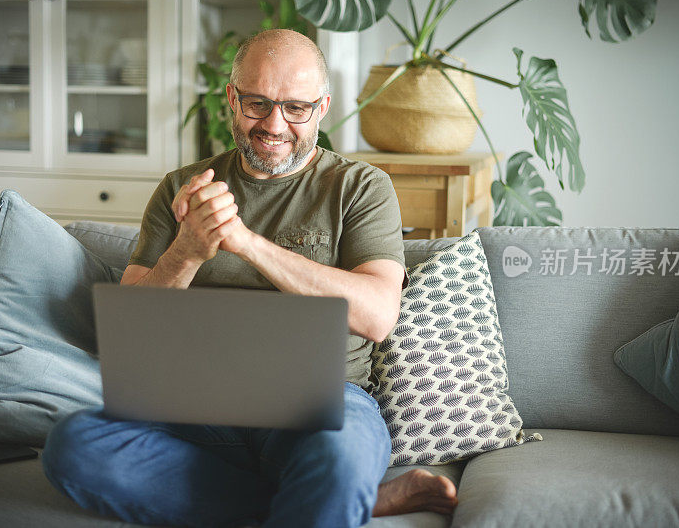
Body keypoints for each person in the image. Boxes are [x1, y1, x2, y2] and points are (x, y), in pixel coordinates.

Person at [42, 29, 458, 527]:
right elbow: (131, 327)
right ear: (232, 99)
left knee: (340, 461)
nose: (274, 125)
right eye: (257, 104)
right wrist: (188, 251)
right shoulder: (181, 188)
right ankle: (354, 499)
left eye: (296, 108)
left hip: (319, 405)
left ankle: (333, 489)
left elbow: (376, 315)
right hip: (191, 404)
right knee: (75, 446)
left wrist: (246, 242)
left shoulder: (359, 187)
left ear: (323, 106)